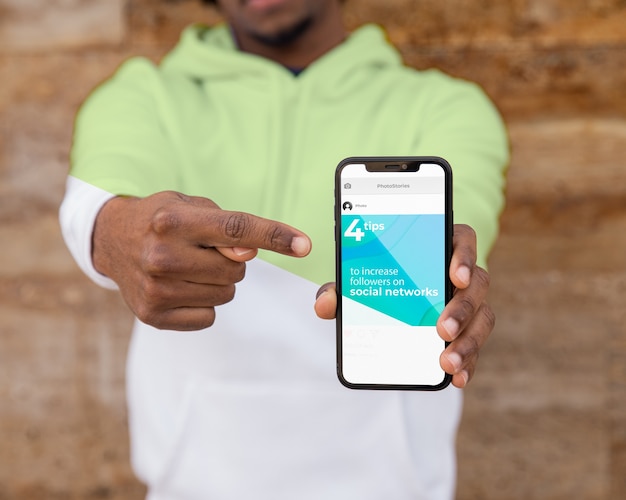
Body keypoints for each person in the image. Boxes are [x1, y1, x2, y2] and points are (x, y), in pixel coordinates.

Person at [60, 0, 509, 498]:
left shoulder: (445, 107)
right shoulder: (143, 95)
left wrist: (455, 271)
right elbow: (94, 204)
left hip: (390, 482)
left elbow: (465, 224)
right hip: (194, 481)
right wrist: (114, 232)